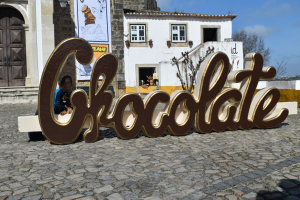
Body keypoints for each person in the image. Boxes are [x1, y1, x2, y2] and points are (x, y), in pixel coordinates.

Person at [28, 75, 74, 141]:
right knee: (40, 109)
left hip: (66, 116)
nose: (66, 84)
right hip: (55, 113)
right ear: (61, 84)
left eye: (68, 83)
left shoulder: (73, 95)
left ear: (71, 84)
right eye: (64, 82)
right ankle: (34, 134)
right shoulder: (56, 92)